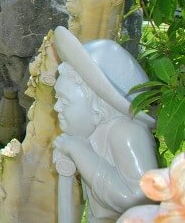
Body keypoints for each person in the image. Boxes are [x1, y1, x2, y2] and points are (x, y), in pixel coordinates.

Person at [53, 26, 158, 222]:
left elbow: (141, 196)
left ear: (98, 107)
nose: (56, 107)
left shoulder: (126, 131)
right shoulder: (94, 132)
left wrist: (80, 152)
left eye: (65, 101)